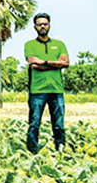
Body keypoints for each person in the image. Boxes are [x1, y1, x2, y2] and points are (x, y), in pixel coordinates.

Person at [24, 12, 69, 154]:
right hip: (37, 90)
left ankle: (60, 150)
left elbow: (65, 63)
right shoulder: (29, 44)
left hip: (56, 90)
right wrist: (55, 64)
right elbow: (32, 63)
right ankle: (32, 152)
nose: (42, 26)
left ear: (49, 25)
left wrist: (43, 62)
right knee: (34, 124)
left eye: (45, 24)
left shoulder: (59, 44)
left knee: (59, 125)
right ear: (34, 27)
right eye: (39, 24)